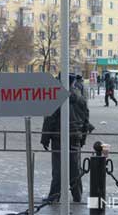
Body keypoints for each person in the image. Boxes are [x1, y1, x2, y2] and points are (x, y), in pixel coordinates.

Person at [41, 74, 93, 203]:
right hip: (75, 137)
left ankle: (54, 195)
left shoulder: (56, 98)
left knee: (58, 169)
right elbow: (86, 120)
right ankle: (77, 195)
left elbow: (50, 120)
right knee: (75, 168)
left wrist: (45, 138)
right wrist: (83, 139)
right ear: (73, 82)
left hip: (59, 137)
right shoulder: (81, 99)